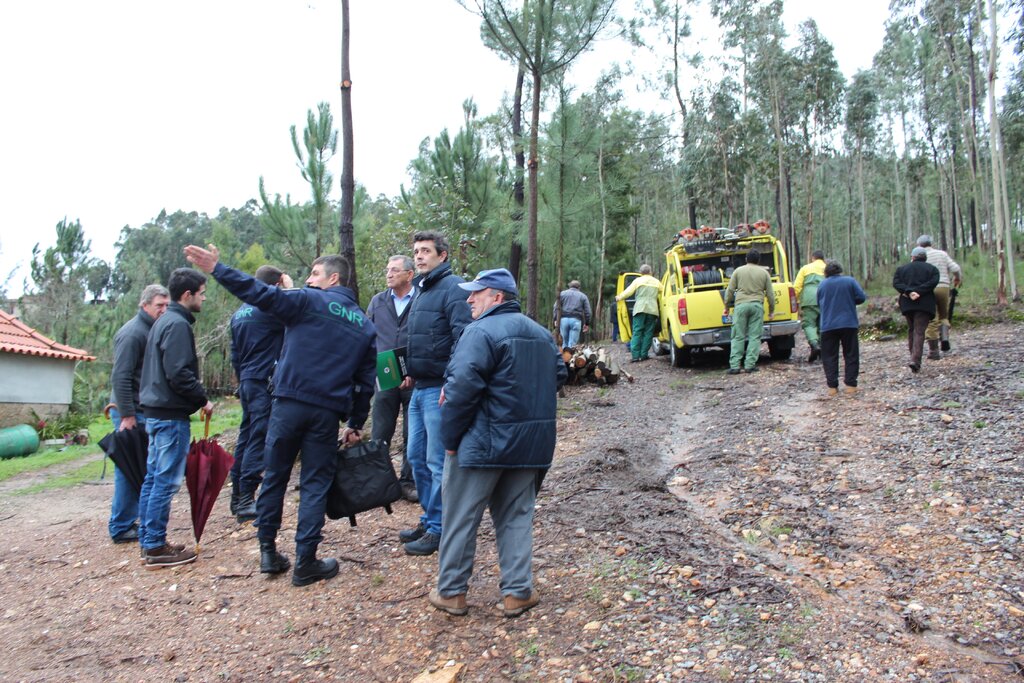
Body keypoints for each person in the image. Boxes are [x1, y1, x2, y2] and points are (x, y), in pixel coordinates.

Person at [185, 245, 377, 587]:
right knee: (315, 483)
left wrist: (218, 268)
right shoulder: (364, 325)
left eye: (314, 273)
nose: (307, 278)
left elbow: (257, 293)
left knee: (275, 476)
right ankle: (306, 562)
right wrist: (356, 423)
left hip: (288, 405)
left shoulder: (307, 301)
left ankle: (268, 553)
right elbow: (365, 384)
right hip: (326, 413)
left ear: (333, 278)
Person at [428, 268, 567, 618]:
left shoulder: (479, 332)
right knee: (517, 518)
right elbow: (559, 376)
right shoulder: (541, 334)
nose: (469, 299)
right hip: (530, 446)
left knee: (461, 517)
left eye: (477, 293)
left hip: (480, 445)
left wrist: (449, 440)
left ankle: (452, 592)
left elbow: (460, 391)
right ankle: (518, 593)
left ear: (498, 297)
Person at [400, 231, 473, 556]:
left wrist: (451, 381)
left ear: (442, 255)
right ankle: (429, 518)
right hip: (418, 387)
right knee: (416, 458)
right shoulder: (421, 289)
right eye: (416, 251)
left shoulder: (453, 287)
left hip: (438, 390)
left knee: (436, 461)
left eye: (426, 251)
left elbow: (463, 337)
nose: (419, 256)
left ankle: (440, 529)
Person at [138, 268, 214, 569]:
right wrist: (203, 399)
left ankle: (149, 540)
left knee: (153, 478)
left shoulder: (162, 321)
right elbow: (179, 373)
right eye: (202, 292)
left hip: (156, 412)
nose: (204, 298)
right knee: (166, 482)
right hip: (169, 416)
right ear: (188, 295)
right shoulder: (177, 324)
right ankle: (155, 547)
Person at [107, 284, 170, 544]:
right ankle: (121, 526)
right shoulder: (133, 333)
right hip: (130, 412)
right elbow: (120, 376)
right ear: (144, 305)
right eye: (159, 306)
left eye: (167, 306)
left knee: (141, 470)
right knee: (128, 469)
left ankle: (130, 521)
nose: (164, 310)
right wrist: (127, 416)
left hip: (142, 411)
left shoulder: (151, 329)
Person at [229, 265, 291, 523]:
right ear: (275, 285)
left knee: (246, 435)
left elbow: (234, 353)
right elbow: (296, 307)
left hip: (246, 380)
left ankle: (237, 496)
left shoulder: (239, 312)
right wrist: (289, 287)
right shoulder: (269, 309)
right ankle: (246, 499)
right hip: (262, 381)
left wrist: (242, 378)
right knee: (258, 435)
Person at [365, 255, 418, 503]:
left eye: (395, 270)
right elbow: (366, 335)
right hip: (384, 375)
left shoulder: (421, 299)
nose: (389, 274)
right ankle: (379, 484)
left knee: (413, 433)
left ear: (410, 274)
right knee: (380, 432)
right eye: (387, 270)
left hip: (414, 376)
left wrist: (414, 370)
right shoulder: (378, 301)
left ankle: (409, 482)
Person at [816, 261, 867, 395]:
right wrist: (850, 300)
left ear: (826, 272)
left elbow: (819, 302)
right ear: (840, 270)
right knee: (851, 354)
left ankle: (832, 387)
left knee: (829, 356)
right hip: (848, 323)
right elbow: (861, 297)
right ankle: (850, 385)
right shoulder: (850, 281)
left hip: (827, 325)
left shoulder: (822, 284)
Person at [723, 250, 775, 374]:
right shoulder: (764, 273)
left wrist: (726, 306)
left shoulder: (738, 271)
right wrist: (772, 310)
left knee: (737, 336)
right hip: (757, 306)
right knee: (754, 337)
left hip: (740, 306)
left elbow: (730, 290)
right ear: (758, 260)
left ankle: (735, 366)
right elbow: (770, 294)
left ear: (746, 259)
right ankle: (749, 365)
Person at [893, 247, 941, 373]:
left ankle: (913, 358)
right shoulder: (933, 269)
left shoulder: (901, 269)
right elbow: (933, 282)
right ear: (925, 258)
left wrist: (909, 292)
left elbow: (897, 283)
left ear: (912, 257)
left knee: (911, 330)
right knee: (919, 331)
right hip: (924, 304)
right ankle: (915, 360)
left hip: (907, 304)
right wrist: (918, 292)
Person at [916, 235, 963, 357]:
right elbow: (955, 268)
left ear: (919, 245)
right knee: (943, 315)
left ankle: (933, 350)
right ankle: (945, 340)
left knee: (931, 318)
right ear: (931, 243)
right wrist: (957, 278)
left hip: (927, 289)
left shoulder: (919, 256)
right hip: (943, 286)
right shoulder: (941, 254)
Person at [614, 265, 661, 363]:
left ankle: (635, 356)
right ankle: (644, 355)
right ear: (650, 271)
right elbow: (663, 293)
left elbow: (628, 292)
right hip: (652, 309)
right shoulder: (656, 282)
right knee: (648, 332)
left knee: (637, 331)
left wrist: (619, 297)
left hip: (640, 308)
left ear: (640, 272)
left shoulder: (638, 281)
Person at [794, 250, 826, 362]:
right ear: (823, 259)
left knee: (809, 324)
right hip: (824, 298)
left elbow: (797, 287)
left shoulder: (805, 268)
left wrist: (797, 302)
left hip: (809, 299)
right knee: (823, 325)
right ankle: (823, 350)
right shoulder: (827, 268)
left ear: (813, 258)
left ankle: (814, 344)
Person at [553, 280, 591, 351]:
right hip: (576, 320)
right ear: (579, 287)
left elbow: (556, 307)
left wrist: (555, 319)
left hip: (563, 320)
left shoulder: (562, 294)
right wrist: (587, 323)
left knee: (564, 342)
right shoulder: (583, 296)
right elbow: (587, 311)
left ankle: (564, 360)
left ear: (569, 286)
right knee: (572, 345)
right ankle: (570, 360)